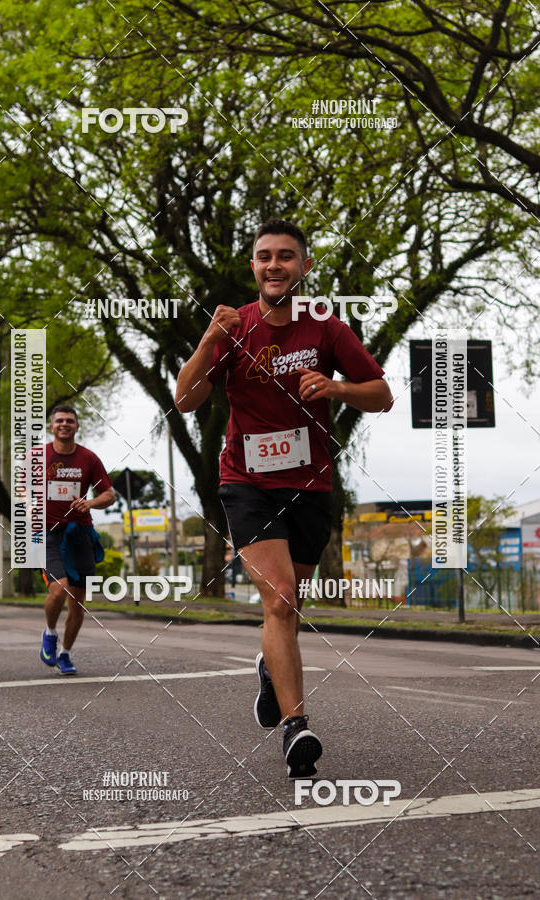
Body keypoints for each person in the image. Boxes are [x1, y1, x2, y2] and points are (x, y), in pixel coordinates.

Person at [175, 219, 393, 777]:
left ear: (305, 267)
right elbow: (186, 400)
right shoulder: (234, 326)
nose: (275, 265)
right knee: (280, 598)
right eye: (265, 256)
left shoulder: (327, 327)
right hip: (246, 481)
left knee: (288, 606)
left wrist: (336, 386)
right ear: (253, 266)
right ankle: (297, 727)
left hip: (312, 485)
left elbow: (383, 396)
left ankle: (270, 667)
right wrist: (207, 342)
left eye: (287, 257)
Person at [39, 405, 115, 675]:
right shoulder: (37, 456)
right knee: (59, 590)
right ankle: (49, 632)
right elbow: (22, 486)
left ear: (76, 426)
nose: (64, 424)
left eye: (69, 421)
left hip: (80, 534)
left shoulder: (89, 458)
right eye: (59, 420)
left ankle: (66, 654)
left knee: (77, 601)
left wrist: (91, 502)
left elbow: (109, 495)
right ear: (51, 426)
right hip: (48, 533)